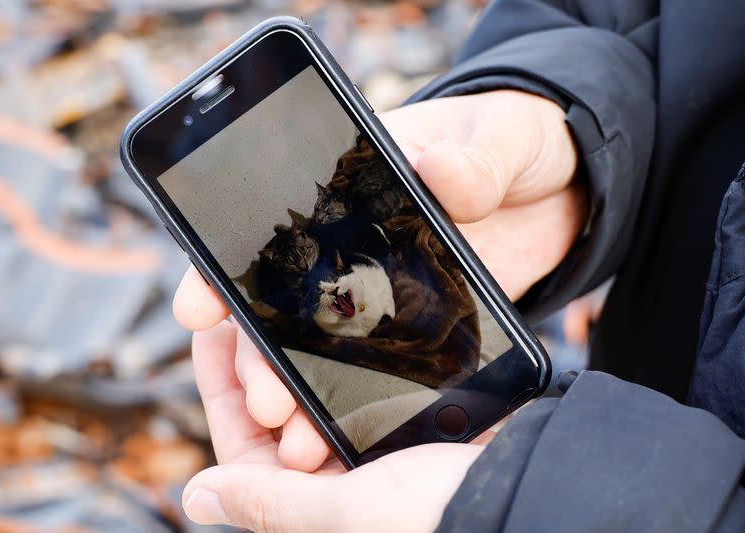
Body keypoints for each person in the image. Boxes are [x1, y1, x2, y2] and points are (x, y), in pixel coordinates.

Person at [172, 2, 745, 531]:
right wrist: (565, 122)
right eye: (305, 285)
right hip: (641, 364)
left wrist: (513, 512)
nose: (325, 281)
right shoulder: (375, 241)